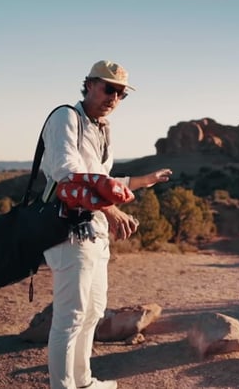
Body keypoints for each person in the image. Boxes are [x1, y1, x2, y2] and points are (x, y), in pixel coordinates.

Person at [40, 60, 173, 389]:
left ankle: (83, 382)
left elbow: (101, 179)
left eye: (122, 93)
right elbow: (67, 174)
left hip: (94, 233)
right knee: (70, 317)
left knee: (92, 311)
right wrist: (113, 212)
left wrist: (143, 181)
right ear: (88, 84)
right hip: (67, 229)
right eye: (109, 88)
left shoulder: (102, 128)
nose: (115, 97)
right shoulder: (66, 117)